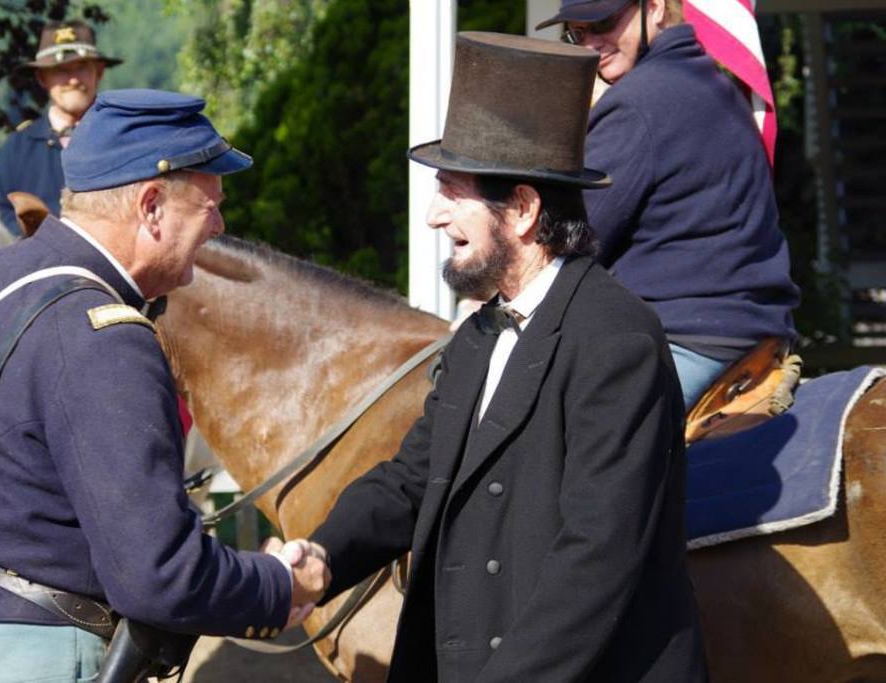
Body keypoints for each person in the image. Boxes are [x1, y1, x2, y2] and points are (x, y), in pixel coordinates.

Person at [0, 89, 328, 682]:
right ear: (152, 206)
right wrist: (278, 584)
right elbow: (160, 577)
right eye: (210, 205)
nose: (220, 224)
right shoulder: (110, 337)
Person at [290, 33, 708, 682]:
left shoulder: (617, 340)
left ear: (521, 208)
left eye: (452, 191)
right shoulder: (478, 337)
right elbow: (411, 478)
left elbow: (596, 557)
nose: (434, 214)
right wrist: (321, 555)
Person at [537, 0, 800, 409]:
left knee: (549, 436)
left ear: (655, 8)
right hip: (739, 329)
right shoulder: (707, 82)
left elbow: (568, 238)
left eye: (602, 23)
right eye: (577, 33)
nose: (590, 44)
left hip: (687, 338)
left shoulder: (639, 103)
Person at [0, 20, 120, 236]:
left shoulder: (123, 138)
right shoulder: (17, 148)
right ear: (42, 78)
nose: (73, 80)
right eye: (60, 70)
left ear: (99, 71)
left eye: (81, 67)